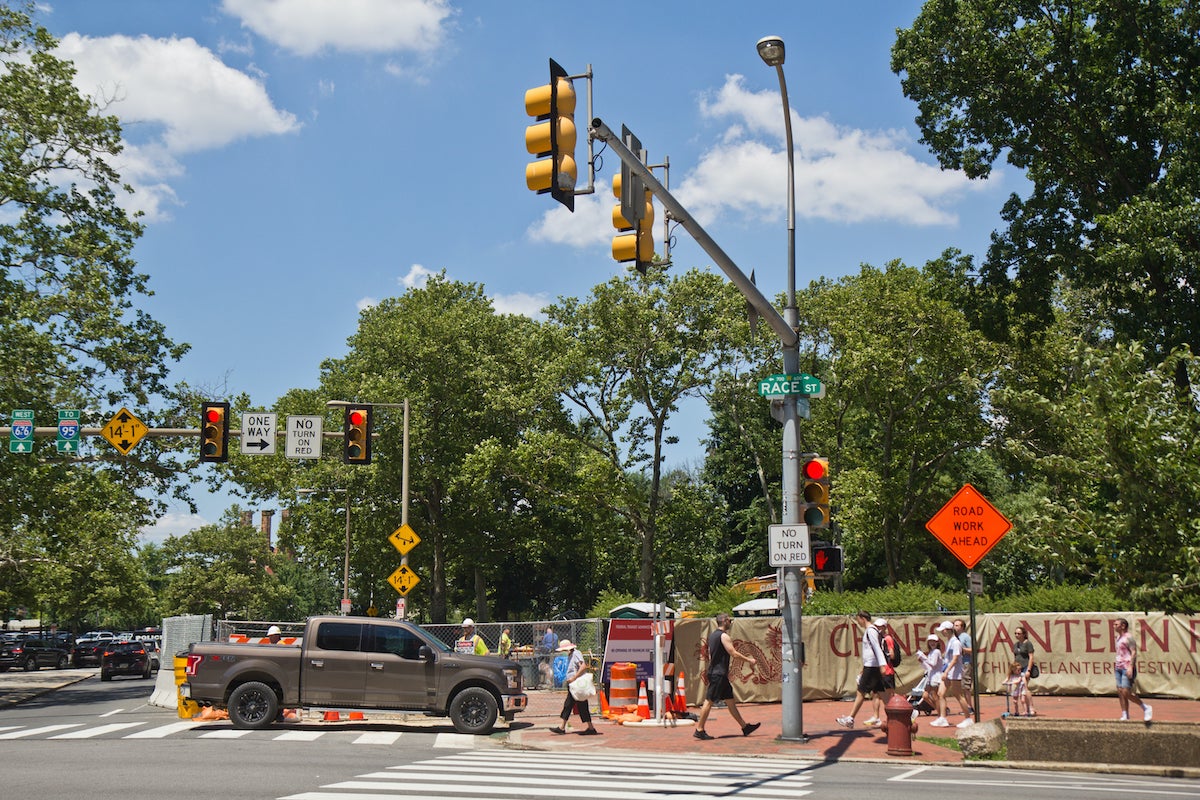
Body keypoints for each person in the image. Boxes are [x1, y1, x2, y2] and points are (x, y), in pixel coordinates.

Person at [694, 612, 761, 740]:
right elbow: (733, 653)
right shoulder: (723, 636)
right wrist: (749, 660)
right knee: (709, 701)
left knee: (730, 701)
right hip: (718, 674)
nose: (730, 622)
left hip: (719, 673)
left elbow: (710, 655)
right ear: (724, 621)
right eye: (729, 620)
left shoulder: (712, 636)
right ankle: (699, 729)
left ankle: (745, 727)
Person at [836, 611, 892, 729]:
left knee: (860, 692)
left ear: (862, 618)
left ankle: (850, 719)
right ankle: (904, 714)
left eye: (858, 619)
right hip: (871, 666)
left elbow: (877, 648)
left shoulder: (871, 630)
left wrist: (882, 665)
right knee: (883, 694)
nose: (858, 622)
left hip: (872, 667)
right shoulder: (872, 630)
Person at [549, 640, 600, 735]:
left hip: (576, 684)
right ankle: (588, 727)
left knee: (574, 705)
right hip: (573, 685)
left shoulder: (576, 653)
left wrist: (574, 678)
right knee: (572, 705)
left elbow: (583, 666)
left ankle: (564, 727)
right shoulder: (571, 655)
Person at [1114, 618, 1151, 721]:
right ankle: (1125, 714)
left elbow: (1134, 652)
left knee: (1126, 692)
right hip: (1118, 667)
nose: (1114, 626)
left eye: (1116, 624)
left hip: (1127, 668)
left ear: (1123, 626)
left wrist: (1131, 666)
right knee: (1120, 692)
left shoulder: (1129, 638)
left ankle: (1145, 707)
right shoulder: (1118, 638)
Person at [937, 620, 971, 727]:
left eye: (943, 630)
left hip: (955, 672)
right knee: (940, 693)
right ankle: (942, 718)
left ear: (948, 630)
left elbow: (955, 659)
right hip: (948, 672)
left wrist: (946, 671)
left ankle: (968, 719)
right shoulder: (950, 642)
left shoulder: (956, 642)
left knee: (958, 695)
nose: (942, 632)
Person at [914, 633, 944, 716]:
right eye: (930, 641)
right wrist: (922, 661)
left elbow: (933, 664)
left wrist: (923, 657)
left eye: (934, 641)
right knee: (925, 696)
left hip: (936, 677)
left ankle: (940, 714)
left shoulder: (937, 652)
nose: (932, 643)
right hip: (930, 677)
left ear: (937, 643)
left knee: (935, 696)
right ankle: (940, 710)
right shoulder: (931, 652)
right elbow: (928, 667)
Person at [1011, 624, 1037, 717]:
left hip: (1026, 667)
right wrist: (1014, 669)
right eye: (1015, 633)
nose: (1017, 635)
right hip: (1018, 669)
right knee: (1020, 689)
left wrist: (1028, 670)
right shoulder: (1016, 644)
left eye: (1019, 633)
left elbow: (1031, 657)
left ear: (1023, 634)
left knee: (1025, 688)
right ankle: (1026, 710)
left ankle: (1032, 709)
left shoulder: (1028, 643)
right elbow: (1015, 657)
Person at [953, 618, 974, 714]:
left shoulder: (965, 637)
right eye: (954, 625)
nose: (955, 627)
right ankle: (965, 707)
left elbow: (972, 650)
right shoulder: (955, 637)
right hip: (959, 664)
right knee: (961, 686)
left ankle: (969, 707)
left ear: (962, 627)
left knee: (966, 686)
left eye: (957, 625)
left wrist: (962, 649)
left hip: (966, 663)